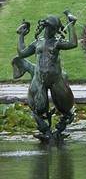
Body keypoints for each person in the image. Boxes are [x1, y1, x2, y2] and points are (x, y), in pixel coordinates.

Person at [12, 10, 78, 141]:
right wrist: (21, 35)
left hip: (55, 80)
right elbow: (22, 53)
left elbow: (73, 43)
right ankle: (45, 130)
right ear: (45, 27)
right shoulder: (38, 43)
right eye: (50, 28)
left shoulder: (57, 43)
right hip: (40, 80)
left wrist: (71, 25)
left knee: (65, 107)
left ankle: (59, 129)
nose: (52, 31)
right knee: (38, 108)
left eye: (54, 29)